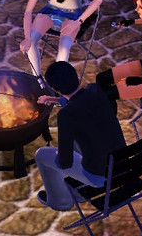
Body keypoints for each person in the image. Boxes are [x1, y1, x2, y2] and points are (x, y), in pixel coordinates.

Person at [34, 61, 126, 211]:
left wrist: (59, 154)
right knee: (81, 136)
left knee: (42, 155)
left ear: (55, 89)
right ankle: (80, 190)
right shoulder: (95, 90)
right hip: (122, 164)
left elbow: (65, 163)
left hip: (99, 176)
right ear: (75, 75)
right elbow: (80, 101)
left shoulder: (66, 115)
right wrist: (54, 100)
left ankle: (61, 202)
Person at [19, 0, 103, 79]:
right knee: (30, 41)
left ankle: (57, 81)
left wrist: (78, 22)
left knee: (63, 49)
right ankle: (38, 79)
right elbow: (28, 11)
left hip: (72, 15)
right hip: (50, 11)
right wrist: (26, 37)